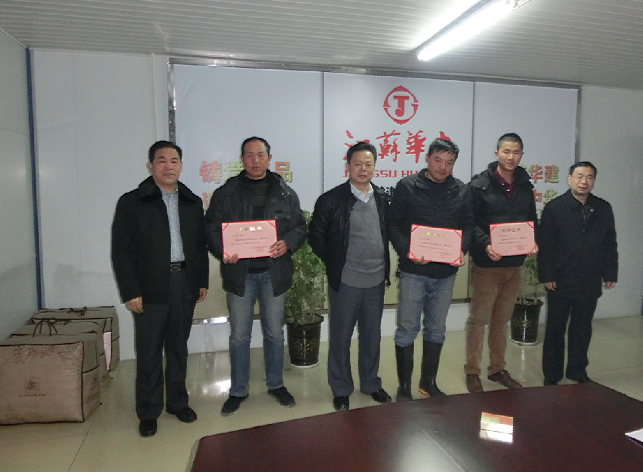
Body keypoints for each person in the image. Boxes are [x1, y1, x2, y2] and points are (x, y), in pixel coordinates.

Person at [111, 140, 209, 437]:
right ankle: (148, 410)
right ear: (150, 166)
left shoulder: (191, 202)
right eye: (162, 160)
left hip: (184, 282)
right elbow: (121, 251)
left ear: (181, 165)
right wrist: (130, 291)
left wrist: (201, 281)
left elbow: (199, 245)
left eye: (174, 160)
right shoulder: (132, 202)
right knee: (149, 351)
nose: (169, 166)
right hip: (149, 285)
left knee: (178, 348)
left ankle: (178, 403)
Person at [205, 137, 306, 416]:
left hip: (273, 273)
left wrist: (287, 243)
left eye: (260, 155)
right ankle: (238, 389)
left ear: (269, 158)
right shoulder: (226, 193)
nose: (255, 160)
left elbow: (299, 227)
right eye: (249, 155)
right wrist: (223, 250)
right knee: (239, 336)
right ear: (242, 159)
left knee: (274, 332)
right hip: (241, 274)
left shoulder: (285, 192)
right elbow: (211, 228)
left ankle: (276, 384)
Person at [308, 142, 392, 411]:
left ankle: (371, 383)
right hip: (345, 283)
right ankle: (341, 388)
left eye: (368, 164)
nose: (363, 169)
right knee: (341, 338)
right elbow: (316, 238)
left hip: (375, 281)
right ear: (347, 166)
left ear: (375, 167)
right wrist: (337, 263)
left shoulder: (383, 199)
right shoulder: (331, 200)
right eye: (357, 163)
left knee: (371, 336)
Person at [388, 138, 473, 401]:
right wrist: (409, 251)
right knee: (407, 329)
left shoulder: (462, 191)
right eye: (438, 160)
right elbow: (393, 224)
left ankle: (429, 383)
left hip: (445, 274)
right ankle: (404, 387)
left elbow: (469, 226)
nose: (442, 167)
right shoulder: (407, 186)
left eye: (449, 162)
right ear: (427, 158)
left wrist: (462, 249)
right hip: (414, 272)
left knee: (436, 329)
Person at [464, 133, 538, 393]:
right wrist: (486, 244)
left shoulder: (525, 185)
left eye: (516, 152)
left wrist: (533, 241)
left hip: (514, 265)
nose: (511, 156)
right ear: (496, 153)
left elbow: (530, 219)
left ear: (521, 155)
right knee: (478, 320)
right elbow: (470, 223)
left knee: (502, 320)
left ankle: (497, 369)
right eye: (506, 151)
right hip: (487, 264)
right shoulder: (479, 185)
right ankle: (472, 371)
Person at [538, 162, 617, 385]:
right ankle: (552, 374)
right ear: (569, 179)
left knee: (582, 328)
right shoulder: (555, 208)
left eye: (589, 177)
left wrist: (610, 272)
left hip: (590, 278)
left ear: (594, 181)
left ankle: (577, 370)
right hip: (561, 278)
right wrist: (547, 275)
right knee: (555, 329)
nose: (584, 181)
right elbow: (546, 246)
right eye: (579, 176)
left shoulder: (603, 208)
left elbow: (610, 243)